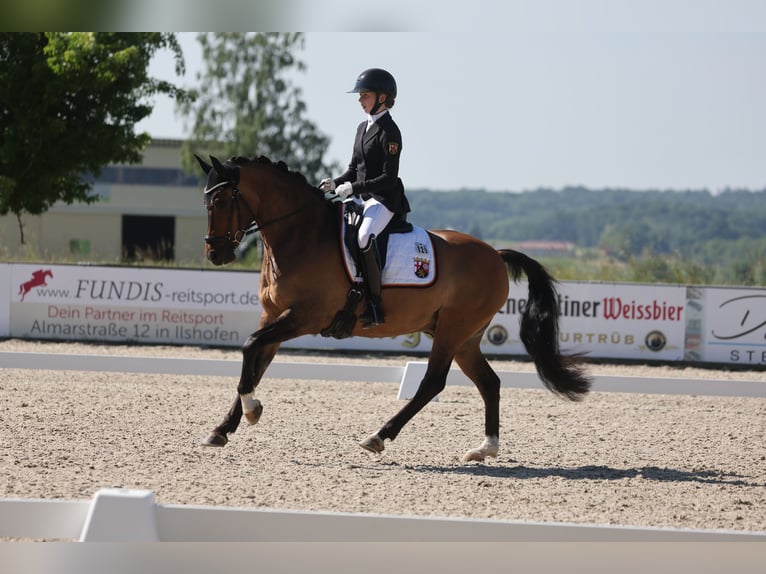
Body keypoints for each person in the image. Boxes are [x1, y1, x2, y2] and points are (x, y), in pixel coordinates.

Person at [320, 68, 411, 328]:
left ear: (383, 97)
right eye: (360, 95)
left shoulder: (390, 132)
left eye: (365, 95)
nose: (360, 100)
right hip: (361, 197)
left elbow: (388, 178)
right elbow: (353, 169)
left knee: (364, 236)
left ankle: (374, 303)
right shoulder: (362, 127)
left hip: (383, 200)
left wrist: (353, 189)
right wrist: (335, 182)